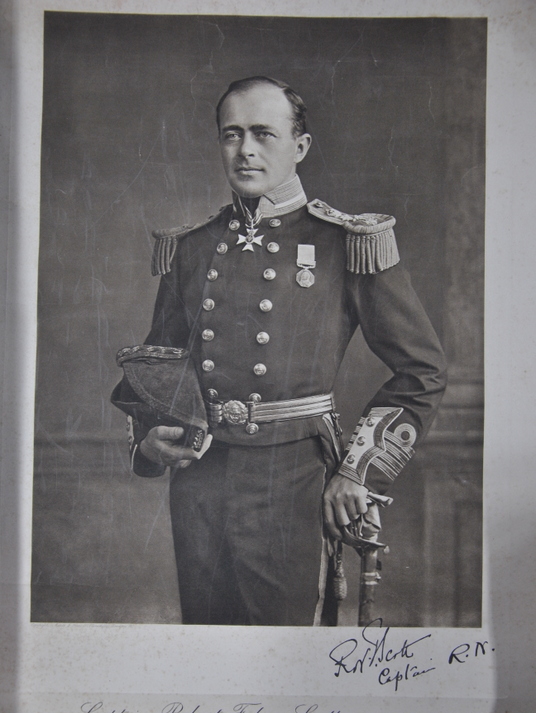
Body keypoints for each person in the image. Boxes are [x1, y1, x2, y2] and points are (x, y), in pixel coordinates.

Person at [116, 76, 447, 626]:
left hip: (292, 477)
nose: (245, 149)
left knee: (282, 651)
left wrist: (359, 471)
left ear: (300, 146)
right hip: (201, 481)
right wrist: (151, 435)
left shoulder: (347, 243)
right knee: (208, 644)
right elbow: (158, 363)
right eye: (232, 134)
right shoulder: (192, 247)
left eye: (263, 134)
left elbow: (423, 369)